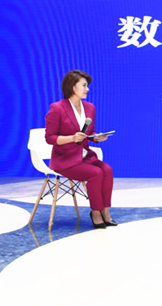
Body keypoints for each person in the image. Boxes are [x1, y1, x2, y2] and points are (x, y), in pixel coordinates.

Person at [44, 70, 114, 229]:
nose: (87, 89)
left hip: (85, 157)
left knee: (107, 170)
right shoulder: (57, 108)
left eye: (87, 86)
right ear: (72, 86)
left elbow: (90, 133)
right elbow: (50, 138)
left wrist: (97, 138)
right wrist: (71, 138)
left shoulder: (90, 108)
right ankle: (96, 213)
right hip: (65, 160)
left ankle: (105, 210)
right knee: (96, 173)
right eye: (84, 85)